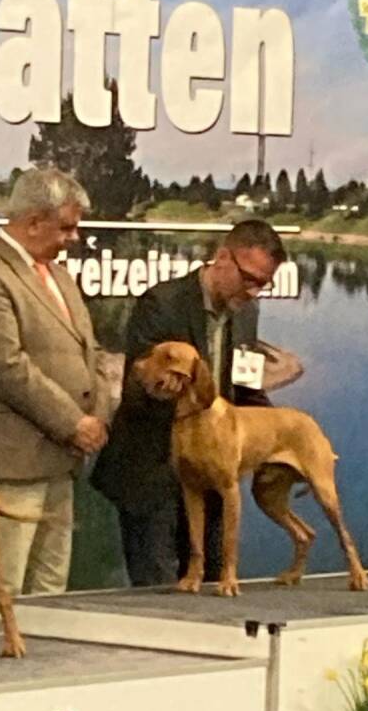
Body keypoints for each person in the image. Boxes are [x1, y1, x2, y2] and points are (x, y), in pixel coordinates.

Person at [0, 167, 113, 631]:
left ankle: (41, 672)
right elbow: (5, 366)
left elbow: (94, 353)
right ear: (34, 221)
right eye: (67, 227)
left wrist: (99, 417)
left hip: (62, 463)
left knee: (49, 594)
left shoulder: (60, 277)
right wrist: (73, 423)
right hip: (10, 465)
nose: (74, 238)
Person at [90, 219, 287, 587]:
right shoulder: (162, 304)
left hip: (212, 478)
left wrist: (278, 443)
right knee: (159, 597)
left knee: (214, 590)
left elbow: (245, 388)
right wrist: (162, 388)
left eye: (263, 283)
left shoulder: (246, 312)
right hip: (152, 475)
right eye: (249, 278)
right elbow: (137, 390)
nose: (254, 291)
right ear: (223, 257)